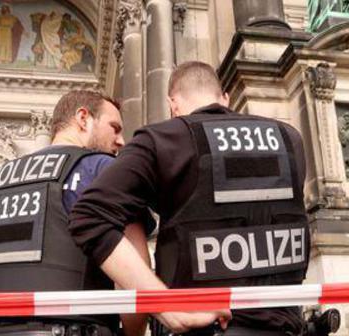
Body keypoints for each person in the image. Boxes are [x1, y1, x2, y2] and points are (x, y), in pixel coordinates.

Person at [70, 61, 311, 335]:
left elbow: (88, 215)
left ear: (173, 104)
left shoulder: (162, 139)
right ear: (225, 99)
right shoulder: (290, 138)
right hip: (288, 326)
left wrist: (165, 307)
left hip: (204, 328)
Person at [0, 90, 153, 336]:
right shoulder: (104, 169)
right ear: (83, 118)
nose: (121, 141)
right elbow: (135, 270)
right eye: (115, 128)